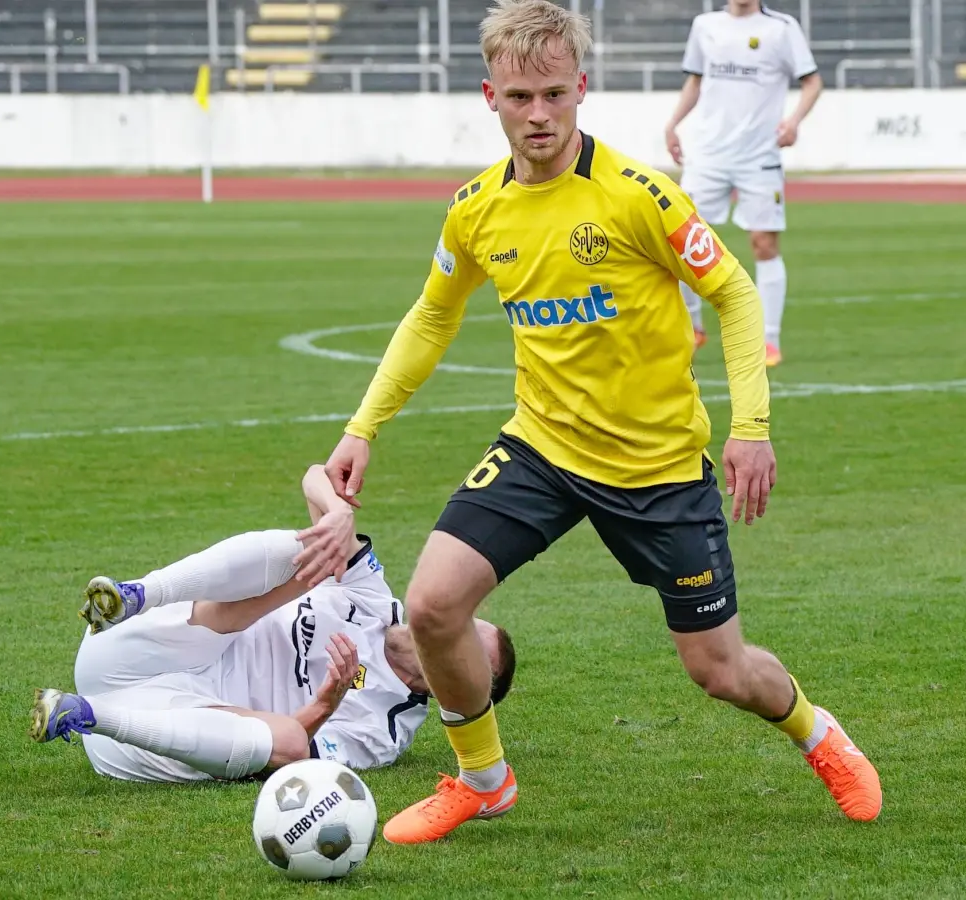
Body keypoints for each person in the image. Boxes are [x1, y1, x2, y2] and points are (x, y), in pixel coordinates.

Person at [300, 0, 880, 846]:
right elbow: (431, 316)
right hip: (541, 449)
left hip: (657, 469)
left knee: (719, 670)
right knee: (431, 605)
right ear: (490, 97)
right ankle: (483, 779)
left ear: (582, 88)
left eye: (554, 96)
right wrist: (363, 427)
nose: (539, 115)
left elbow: (732, 290)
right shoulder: (475, 210)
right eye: (520, 98)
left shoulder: (639, 196)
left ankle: (818, 734)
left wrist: (751, 426)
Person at [29, 465, 517, 783]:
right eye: (465, 622)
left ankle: (80, 714)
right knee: (311, 549)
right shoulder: (373, 598)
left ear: (454, 685)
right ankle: (138, 595)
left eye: (466, 645)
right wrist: (340, 514)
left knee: (288, 743)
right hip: (132, 645)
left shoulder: (385, 730)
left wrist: (328, 701)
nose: (449, 627)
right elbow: (314, 477)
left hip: (144, 734)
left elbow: (290, 756)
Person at [664, 0, 824, 366]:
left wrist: (794, 121)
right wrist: (672, 124)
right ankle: (692, 327)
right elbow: (695, 81)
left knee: (764, 242)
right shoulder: (705, 25)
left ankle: (768, 340)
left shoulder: (781, 28)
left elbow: (812, 82)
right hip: (708, 155)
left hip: (759, 156)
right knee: (683, 240)